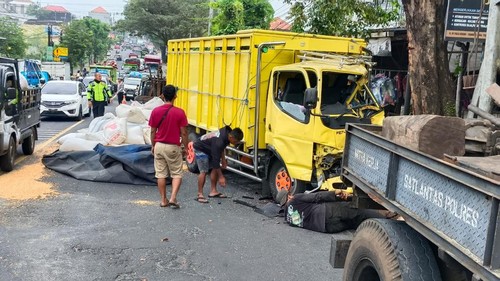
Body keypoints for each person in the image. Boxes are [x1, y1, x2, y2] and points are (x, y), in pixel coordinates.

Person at [278, 190, 396, 233]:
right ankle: (389, 216)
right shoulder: (295, 199)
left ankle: (385, 228)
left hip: (328, 228)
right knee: (358, 212)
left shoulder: (289, 220)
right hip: (329, 213)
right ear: (288, 197)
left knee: (355, 222)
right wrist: (334, 193)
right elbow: (317, 197)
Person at [148, 85, 188, 208]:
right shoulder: (180, 113)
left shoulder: (155, 111)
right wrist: (185, 147)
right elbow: (184, 133)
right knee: (176, 173)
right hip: (173, 147)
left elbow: (153, 131)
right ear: (175, 96)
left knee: (160, 174)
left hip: (159, 145)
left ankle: (163, 200)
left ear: (163, 96)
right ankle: (173, 198)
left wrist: (153, 145)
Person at [193, 126, 244, 203]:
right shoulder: (219, 141)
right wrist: (221, 177)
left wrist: (223, 159)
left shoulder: (226, 134)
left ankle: (213, 191)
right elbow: (216, 160)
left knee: (215, 168)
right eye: (236, 141)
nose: (236, 143)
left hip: (210, 148)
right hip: (200, 148)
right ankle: (200, 194)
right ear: (231, 137)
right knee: (204, 171)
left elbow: (221, 148)